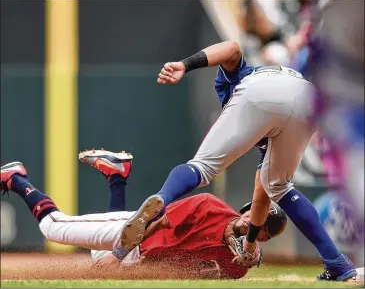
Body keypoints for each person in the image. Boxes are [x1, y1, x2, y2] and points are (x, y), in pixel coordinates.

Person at [119, 41, 357, 281]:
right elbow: (262, 192)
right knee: (280, 185)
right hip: (307, 99)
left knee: (202, 167)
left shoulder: (236, 81)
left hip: (259, 89)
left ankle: (163, 198)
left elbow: (232, 48)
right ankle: (336, 262)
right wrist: (250, 243)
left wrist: (185, 64)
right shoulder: (268, 129)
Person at [0, 149, 287, 279]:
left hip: (140, 257)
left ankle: (117, 176)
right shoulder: (209, 207)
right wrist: (120, 254)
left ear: (264, 236)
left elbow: (185, 275)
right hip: (133, 234)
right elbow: (151, 220)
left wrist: (129, 268)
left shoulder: (239, 265)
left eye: (259, 224)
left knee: (100, 263)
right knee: (55, 228)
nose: (251, 219)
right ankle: (15, 178)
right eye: (252, 213)